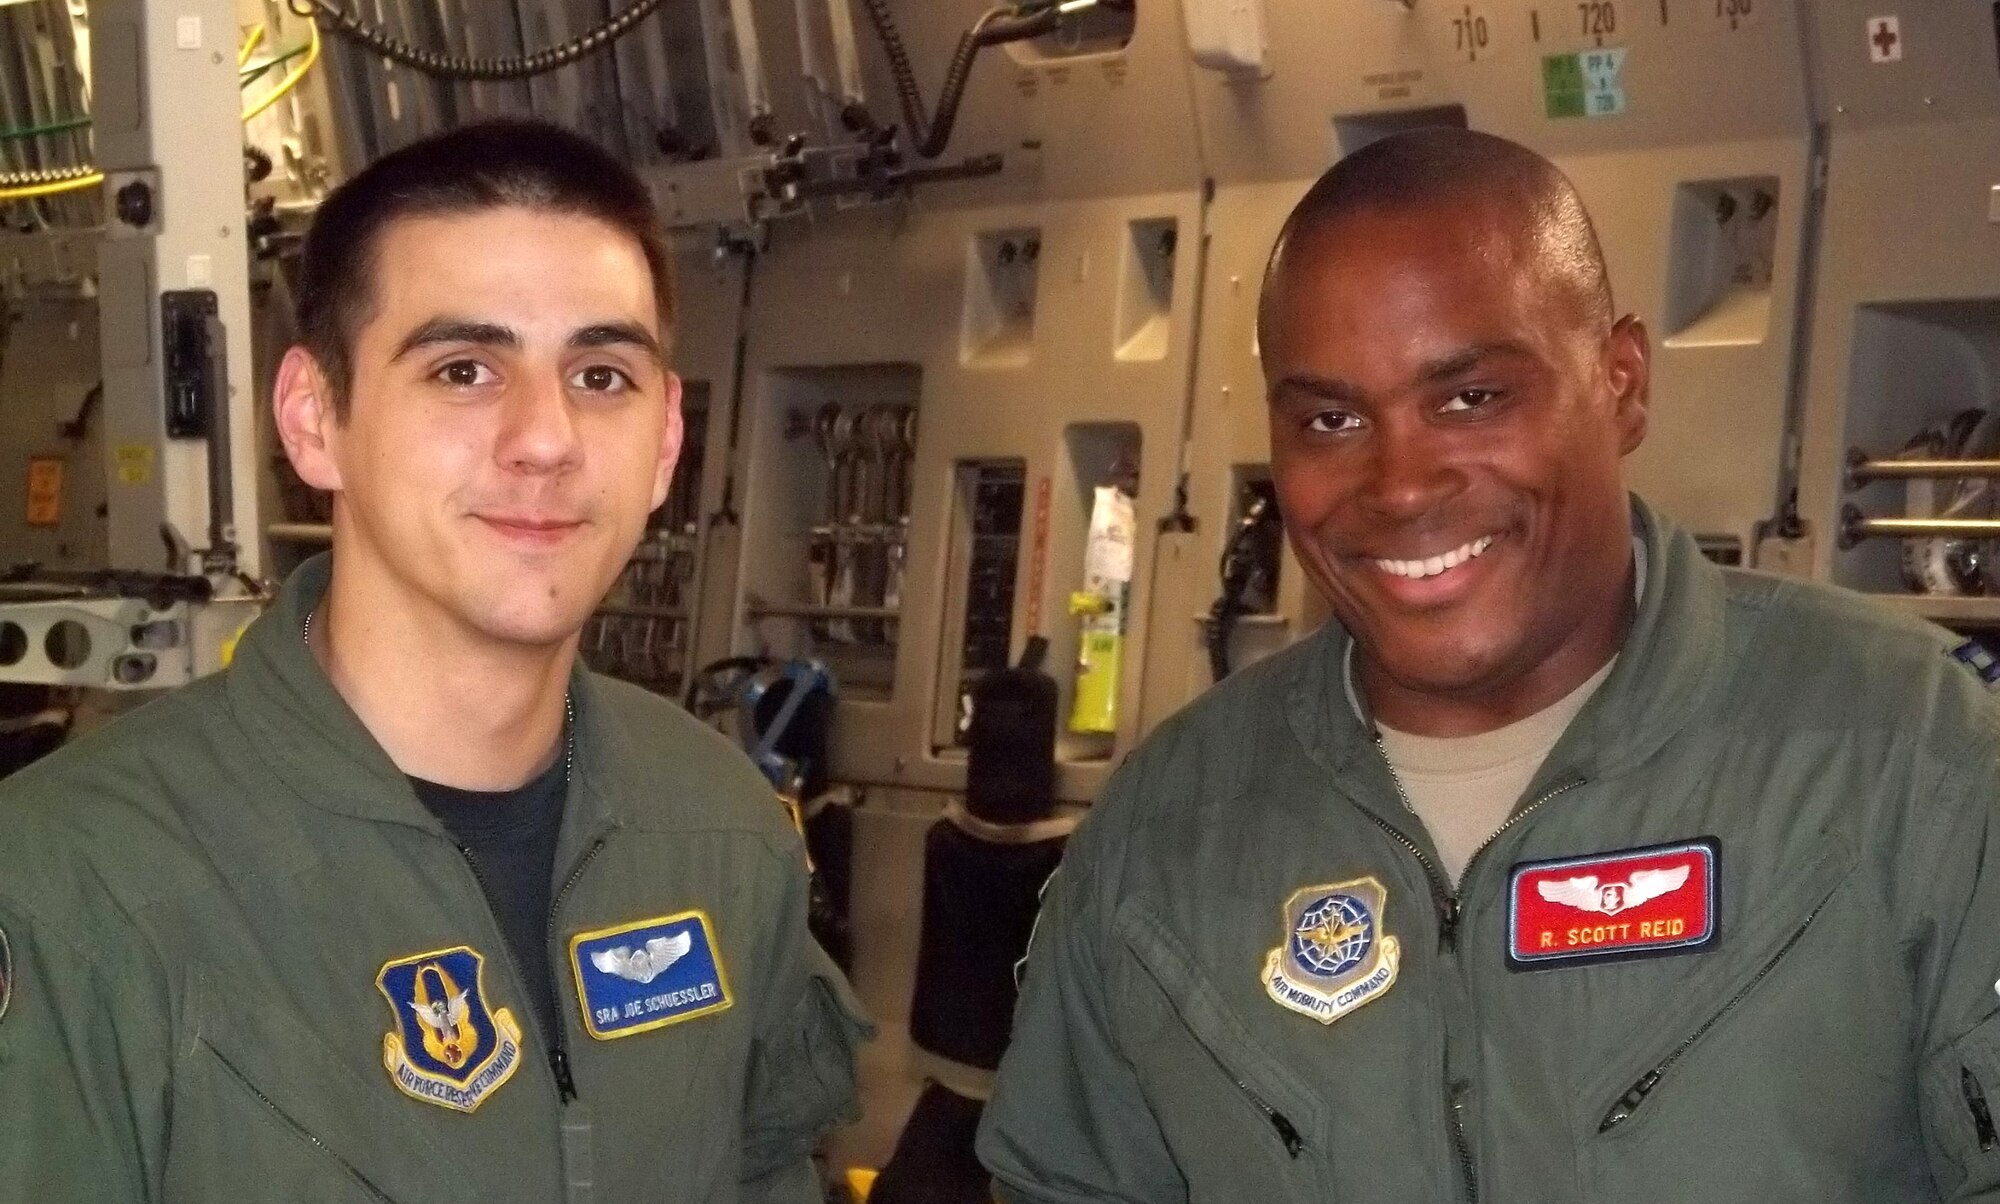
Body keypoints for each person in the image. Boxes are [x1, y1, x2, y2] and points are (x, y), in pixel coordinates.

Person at [977, 126, 2000, 1201]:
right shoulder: (1164, 835)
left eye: (1469, 398)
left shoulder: (1906, 758)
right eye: (1330, 418)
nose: (1401, 484)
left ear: (1619, 384)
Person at [0, 119, 867, 1202]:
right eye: (464, 368)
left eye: (600, 375)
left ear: (665, 444)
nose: (544, 438)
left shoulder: (720, 830)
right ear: (314, 419)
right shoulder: (76, 887)